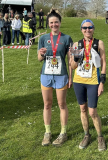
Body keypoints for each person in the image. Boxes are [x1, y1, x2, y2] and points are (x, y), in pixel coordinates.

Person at [70, 19, 107, 151]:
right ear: (81, 30)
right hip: (79, 81)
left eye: (90, 27)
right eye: (84, 28)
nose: (87, 30)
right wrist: (75, 57)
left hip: (93, 81)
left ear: (93, 29)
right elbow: (73, 66)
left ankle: (100, 137)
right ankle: (86, 135)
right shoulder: (76, 44)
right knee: (83, 109)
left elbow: (103, 63)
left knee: (92, 112)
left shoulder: (98, 43)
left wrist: (102, 82)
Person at [38, 8, 73, 146]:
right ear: (48, 24)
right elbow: (39, 59)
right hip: (46, 75)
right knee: (47, 104)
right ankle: (47, 133)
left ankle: (63, 133)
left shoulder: (66, 38)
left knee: (62, 104)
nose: (54, 25)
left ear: (60, 23)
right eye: (51, 23)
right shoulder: (43, 38)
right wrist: (41, 53)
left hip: (61, 75)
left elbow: (70, 60)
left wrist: (71, 77)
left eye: (56, 22)